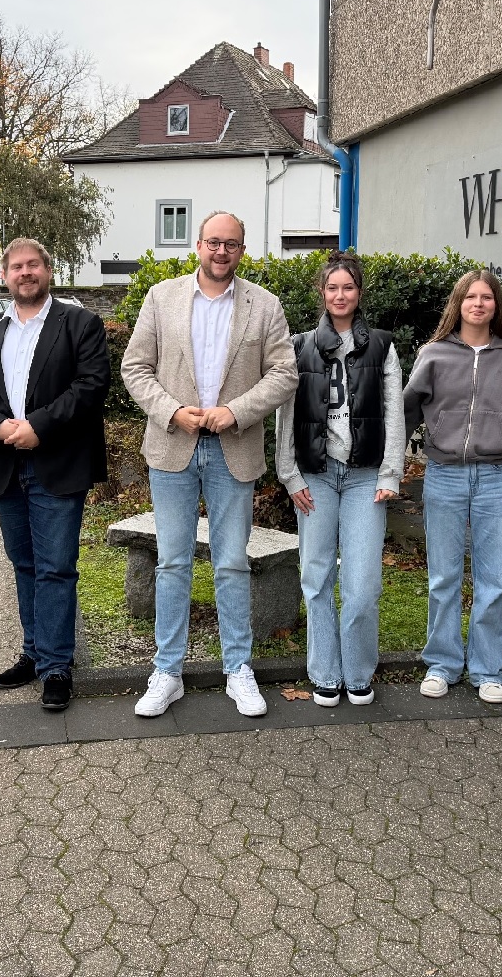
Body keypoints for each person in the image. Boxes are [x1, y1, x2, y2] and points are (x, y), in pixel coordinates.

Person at [121, 211, 299, 718]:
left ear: (242, 251)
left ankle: (237, 669)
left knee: (231, 563)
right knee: (173, 562)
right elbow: (134, 367)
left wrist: (236, 412)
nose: (222, 251)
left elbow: (285, 373)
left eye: (232, 244)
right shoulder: (162, 298)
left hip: (232, 448)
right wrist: (172, 410)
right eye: (213, 242)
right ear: (198, 245)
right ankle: (168, 671)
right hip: (173, 445)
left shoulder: (264, 306)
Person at [0, 238, 110, 711]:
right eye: (17, 266)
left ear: (48, 270)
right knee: (24, 565)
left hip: (56, 463)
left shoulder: (79, 324)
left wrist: (37, 427)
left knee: (56, 568)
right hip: (4, 464)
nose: (26, 272)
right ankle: (34, 652)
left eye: (34, 265)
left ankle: (57, 666)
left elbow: (91, 385)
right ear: (5, 276)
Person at [275, 252, 405, 707]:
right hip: (317, 476)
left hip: (366, 476)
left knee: (363, 583)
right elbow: (285, 417)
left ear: (359, 293)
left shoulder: (384, 346)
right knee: (315, 575)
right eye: (332, 288)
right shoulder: (299, 346)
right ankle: (325, 673)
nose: (340, 295)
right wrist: (289, 475)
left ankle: (358, 670)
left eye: (348, 287)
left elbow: (394, 412)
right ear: (322, 293)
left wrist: (392, 470)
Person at [403, 270, 502, 704]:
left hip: (496, 478)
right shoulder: (435, 353)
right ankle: (442, 664)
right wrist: (389, 465)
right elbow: (406, 411)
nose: (478, 304)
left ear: (497, 306)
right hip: (443, 474)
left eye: (487, 298)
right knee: (443, 577)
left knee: (492, 579)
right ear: (458, 304)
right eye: (470, 297)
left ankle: (488, 669)